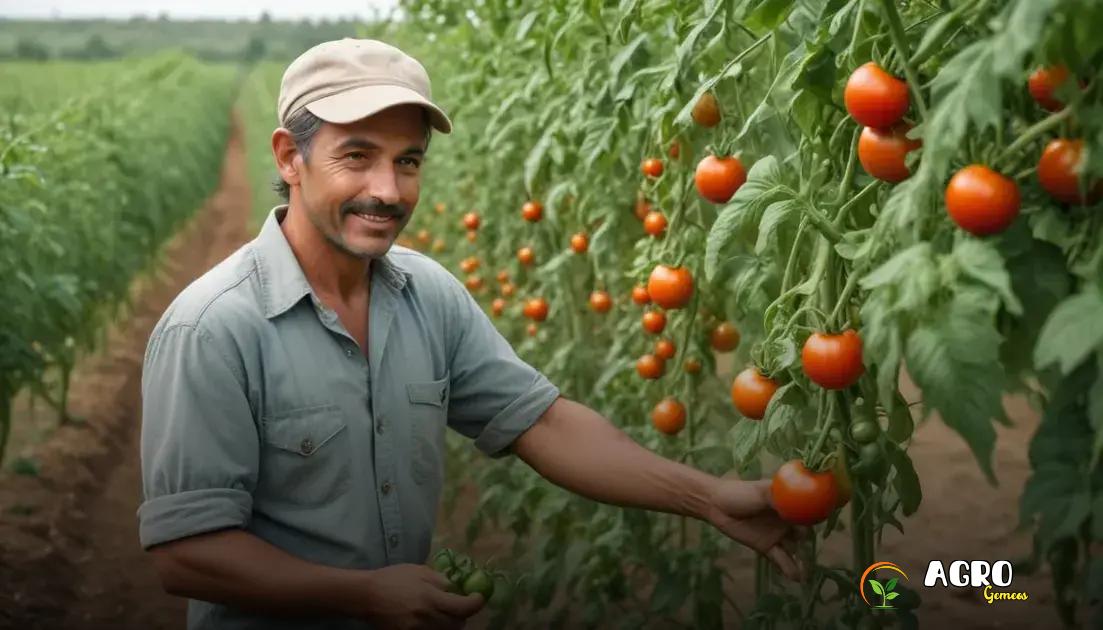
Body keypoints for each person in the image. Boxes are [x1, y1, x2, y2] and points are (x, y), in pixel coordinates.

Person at [138, 38, 805, 630]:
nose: (388, 190)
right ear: (290, 157)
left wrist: (708, 498)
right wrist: (363, 595)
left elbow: (542, 424)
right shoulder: (214, 328)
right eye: (357, 156)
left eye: (407, 162)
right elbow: (187, 554)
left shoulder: (427, 295)